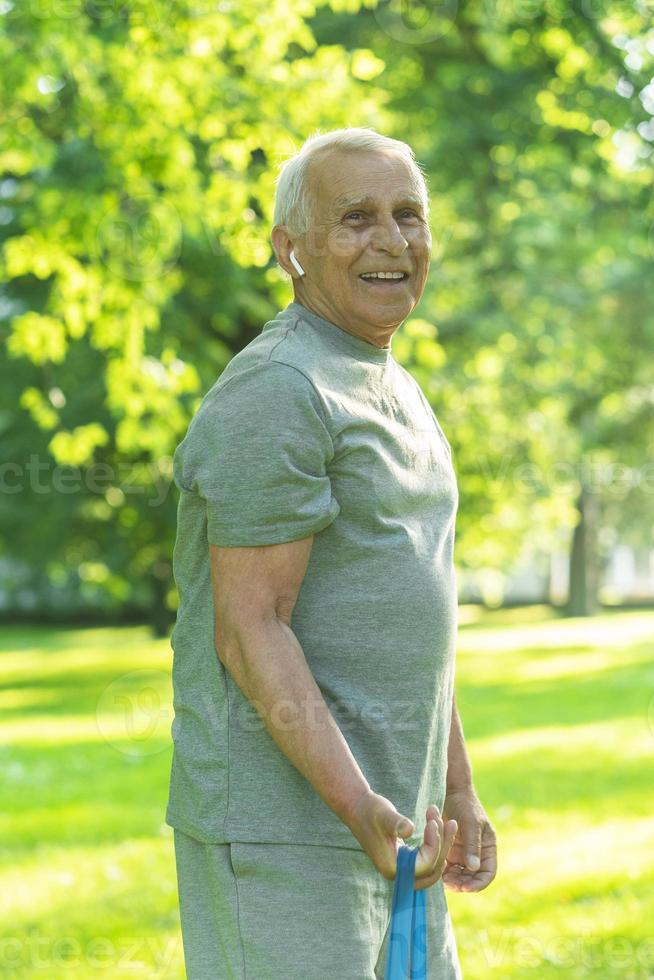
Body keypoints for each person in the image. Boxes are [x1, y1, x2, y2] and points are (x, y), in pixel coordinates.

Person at [165, 126, 497, 979]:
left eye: (408, 216)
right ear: (292, 250)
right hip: (292, 831)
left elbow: (417, 611)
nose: (391, 241)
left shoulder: (389, 379)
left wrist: (453, 789)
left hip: (398, 822)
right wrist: (359, 809)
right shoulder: (281, 390)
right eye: (355, 218)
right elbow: (250, 629)